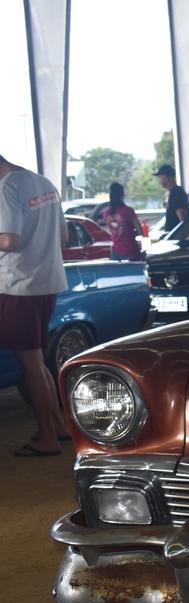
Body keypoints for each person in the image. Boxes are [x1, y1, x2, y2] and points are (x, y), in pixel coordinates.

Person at [0, 152, 72, 456]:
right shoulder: (43, 183)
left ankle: (47, 438)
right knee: (37, 360)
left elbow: (9, 241)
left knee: (29, 362)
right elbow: (64, 237)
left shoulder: (7, 186)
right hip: (47, 282)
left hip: (19, 285)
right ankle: (57, 426)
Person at [101, 182, 143, 260]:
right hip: (130, 250)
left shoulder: (106, 213)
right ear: (122, 195)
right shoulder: (128, 211)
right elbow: (140, 231)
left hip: (115, 251)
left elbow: (113, 230)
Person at [153, 163, 189, 232]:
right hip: (173, 237)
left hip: (176, 239)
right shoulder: (173, 193)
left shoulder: (177, 193)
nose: (159, 180)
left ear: (167, 177)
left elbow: (182, 218)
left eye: (160, 177)